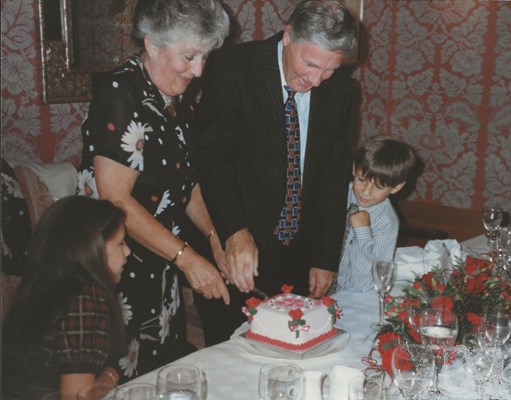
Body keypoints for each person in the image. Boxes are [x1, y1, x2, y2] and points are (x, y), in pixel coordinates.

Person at [76, 0, 230, 379]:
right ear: (152, 45)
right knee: (120, 378)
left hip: (160, 260)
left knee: (160, 372)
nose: (198, 70)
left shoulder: (172, 99)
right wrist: (188, 258)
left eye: (204, 57)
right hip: (114, 263)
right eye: (190, 56)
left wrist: (213, 239)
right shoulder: (121, 91)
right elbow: (115, 197)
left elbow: (186, 184)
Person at [193, 0, 359, 345]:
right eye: (310, 63)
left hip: (299, 251)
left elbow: (333, 175)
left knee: (294, 356)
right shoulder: (233, 67)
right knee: (230, 355)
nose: (316, 80)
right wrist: (234, 230)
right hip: (234, 246)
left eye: (329, 69)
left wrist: (325, 257)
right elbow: (213, 159)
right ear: (288, 35)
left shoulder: (343, 91)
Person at [2, 196, 129, 400]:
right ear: (91, 249)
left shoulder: (43, 285)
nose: (128, 251)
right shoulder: (88, 298)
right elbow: (78, 397)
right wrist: (111, 376)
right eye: (120, 243)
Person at [335, 135, 419, 291]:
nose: (366, 192)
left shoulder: (386, 223)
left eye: (379, 187)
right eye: (361, 180)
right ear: (354, 168)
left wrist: (363, 233)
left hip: (348, 297)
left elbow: (365, 284)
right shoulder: (336, 194)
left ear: (396, 187)